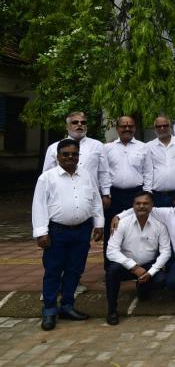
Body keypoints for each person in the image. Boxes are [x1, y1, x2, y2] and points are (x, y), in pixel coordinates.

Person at [32, 139, 104, 331]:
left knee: (75, 270)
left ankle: (67, 305)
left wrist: (99, 224)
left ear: (78, 156)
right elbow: (38, 206)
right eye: (66, 154)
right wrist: (41, 232)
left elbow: (95, 200)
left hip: (82, 231)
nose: (70, 157)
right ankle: (49, 310)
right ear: (58, 156)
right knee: (53, 271)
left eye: (74, 154)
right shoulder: (47, 178)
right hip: (57, 232)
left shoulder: (86, 175)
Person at [105, 191, 170, 326]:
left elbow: (166, 252)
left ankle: (142, 287)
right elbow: (111, 251)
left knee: (162, 279)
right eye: (138, 203)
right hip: (126, 266)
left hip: (147, 265)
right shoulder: (122, 223)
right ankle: (112, 310)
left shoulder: (160, 225)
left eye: (145, 203)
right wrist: (134, 267)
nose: (141, 206)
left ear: (152, 206)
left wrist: (150, 272)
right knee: (112, 272)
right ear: (133, 206)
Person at [104, 116, 152, 269]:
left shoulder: (143, 147)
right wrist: (106, 194)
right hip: (114, 196)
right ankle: (111, 268)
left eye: (130, 126)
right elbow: (103, 173)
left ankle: (139, 265)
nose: (127, 129)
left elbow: (148, 172)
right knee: (112, 231)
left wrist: (147, 194)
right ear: (117, 128)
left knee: (136, 230)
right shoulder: (107, 148)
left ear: (135, 128)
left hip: (137, 195)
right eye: (123, 126)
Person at [42, 111, 110, 196]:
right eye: (75, 122)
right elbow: (47, 174)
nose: (79, 124)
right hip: (62, 194)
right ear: (67, 126)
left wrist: (106, 194)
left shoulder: (98, 146)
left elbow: (103, 172)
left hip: (91, 195)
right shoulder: (53, 148)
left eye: (83, 122)